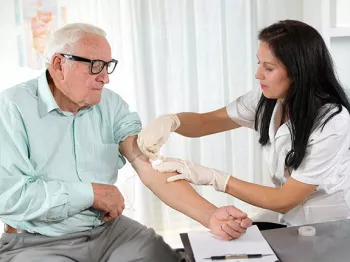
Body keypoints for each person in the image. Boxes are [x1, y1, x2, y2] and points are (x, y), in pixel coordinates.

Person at [0, 23, 252, 262]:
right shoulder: (12, 109)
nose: (105, 78)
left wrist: (210, 216)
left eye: (108, 66)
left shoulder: (110, 105)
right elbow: (9, 196)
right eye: (95, 66)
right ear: (59, 64)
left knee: (161, 256)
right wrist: (90, 194)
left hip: (108, 232)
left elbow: (149, 167)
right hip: (37, 241)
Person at [138, 20, 350, 227]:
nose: (258, 74)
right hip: (291, 218)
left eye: (268, 67)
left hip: (330, 225)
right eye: (259, 63)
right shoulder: (267, 99)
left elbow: (285, 200)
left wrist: (214, 178)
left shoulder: (332, 122)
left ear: (298, 72)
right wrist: (171, 121)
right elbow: (204, 123)